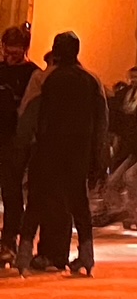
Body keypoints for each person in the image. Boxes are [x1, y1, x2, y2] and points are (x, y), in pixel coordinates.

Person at [23, 31, 108, 277]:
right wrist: (99, 155)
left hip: (48, 150)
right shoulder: (92, 80)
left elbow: (29, 115)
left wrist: (23, 145)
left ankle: (25, 251)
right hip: (78, 153)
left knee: (37, 201)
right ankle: (86, 254)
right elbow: (101, 121)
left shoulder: (44, 78)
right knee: (79, 203)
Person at [0, 24, 37, 268]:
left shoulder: (33, 73)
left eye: (15, 51)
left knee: (11, 191)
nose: (10, 56)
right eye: (6, 50)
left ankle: (9, 240)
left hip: (15, 141)